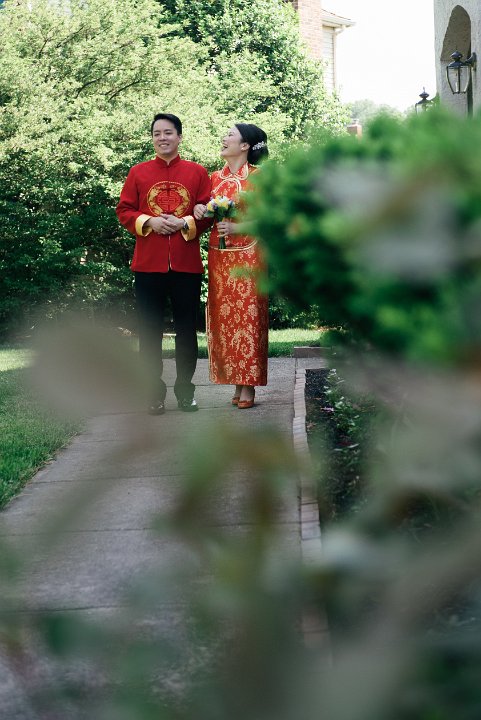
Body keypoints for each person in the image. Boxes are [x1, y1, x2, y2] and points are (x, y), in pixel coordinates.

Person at [116, 113, 211, 414]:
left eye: (168, 132)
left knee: (187, 331)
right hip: (147, 266)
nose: (162, 138)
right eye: (157, 133)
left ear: (179, 136)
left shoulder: (197, 172)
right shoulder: (138, 172)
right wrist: (149, 221)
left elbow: (208, 213)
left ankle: (185, 392)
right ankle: (153, 394)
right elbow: (124, 210)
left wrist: (184, 222)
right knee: (149, 332)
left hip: (186, 265)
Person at [194, 123, 269, 409]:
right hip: (220, 257)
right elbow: (202, 211)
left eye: (230, 135)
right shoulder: (213, 178)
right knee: (225, 320)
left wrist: (240, 226)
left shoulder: (259, 178)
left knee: (248, 318)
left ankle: (248, 384)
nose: (223, 138)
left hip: (250, 255)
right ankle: (236, 381)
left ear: (245, 145)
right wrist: (200, 209)